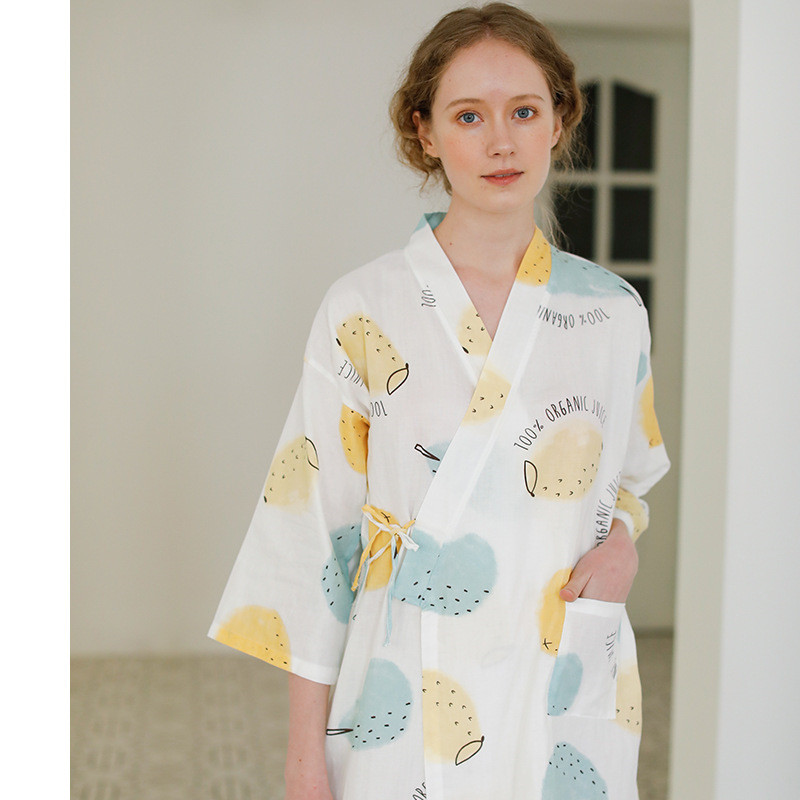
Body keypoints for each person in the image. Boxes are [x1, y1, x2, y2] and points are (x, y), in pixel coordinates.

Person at [208, 4, 669, 799]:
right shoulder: (364, 309)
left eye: (524, 111)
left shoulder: (611, 312)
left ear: (559, 121)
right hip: (405, 690)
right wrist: (303, 757)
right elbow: (316, 537)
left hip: (557, 679)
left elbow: (629, 481)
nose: (501, 142)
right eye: (469, 116)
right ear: (425, 133)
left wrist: (623, 542)